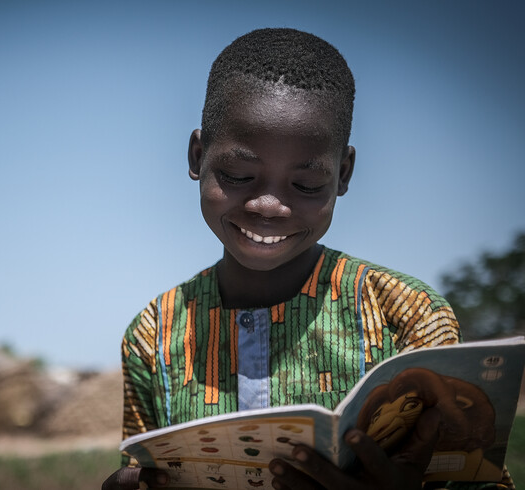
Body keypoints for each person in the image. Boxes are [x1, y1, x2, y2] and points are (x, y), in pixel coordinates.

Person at [102, 28, 513, 490]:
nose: (268, 206)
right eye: (238, 175)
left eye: (306, 186)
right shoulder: (153, 335)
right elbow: (145, 469)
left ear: (343, 174)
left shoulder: (406, 313)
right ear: (198, 156)